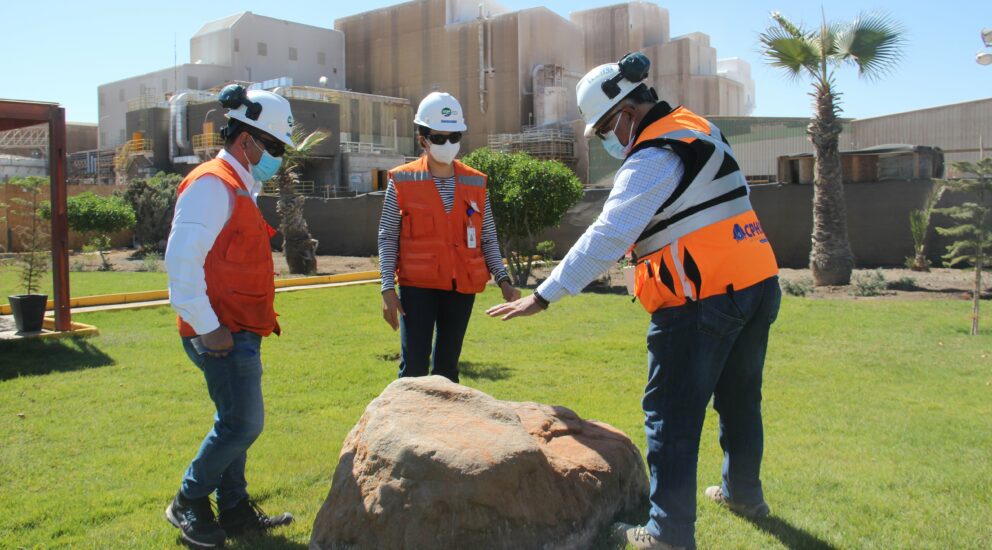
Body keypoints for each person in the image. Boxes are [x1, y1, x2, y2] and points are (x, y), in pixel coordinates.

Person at [486, 53, 781, 550]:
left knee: (671, 414)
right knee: (739, 400)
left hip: (699, 298)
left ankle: (667, 534)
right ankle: (744, 496)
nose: (606, 139)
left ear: (626, 112)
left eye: (605, 126)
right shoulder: (698, 129)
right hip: (756, 282)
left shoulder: (652, 156)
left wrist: (543, 294)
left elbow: (606, 235)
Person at [163, 85, 295, 548]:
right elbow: (181, 262)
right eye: (275, 147)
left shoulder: (240, 186)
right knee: (243, 424)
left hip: (239, 329)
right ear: (247, 141)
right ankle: (188, 500)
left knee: (234, 420)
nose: (278, 158)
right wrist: (209, 327)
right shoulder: (212, 184)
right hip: (220, 332)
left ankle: (235, 510)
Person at [378, 91, 520, 383]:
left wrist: (503, 279)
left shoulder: (475, 182)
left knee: (447, 369)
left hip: (461, 286)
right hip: (417, 288)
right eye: (439, 138)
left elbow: (488, 237)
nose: (448, 144)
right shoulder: (402, 180)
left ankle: (445, 428)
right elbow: (388, 235)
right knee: (414, 367)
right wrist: (386, 288)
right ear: (423, 139)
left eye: (454, 137)